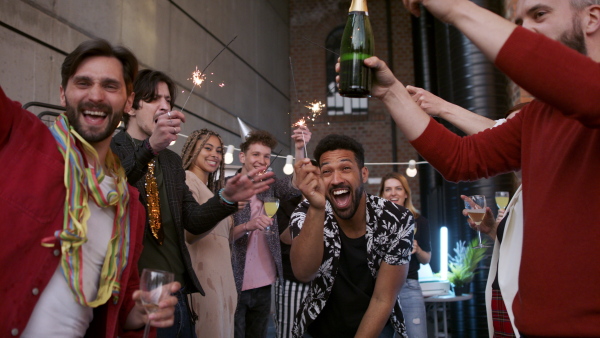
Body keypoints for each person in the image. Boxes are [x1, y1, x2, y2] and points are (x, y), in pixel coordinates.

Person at [359, 0, 600, 335]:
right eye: (517, 21)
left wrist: (455, 8)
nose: (524, 31)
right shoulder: (537, 117)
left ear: (592, 18)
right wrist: (391, 93)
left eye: (539, 14)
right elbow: (460, 158)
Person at [0, 39, 179, 337]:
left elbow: (122, 312)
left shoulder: (129, 207)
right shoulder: (21, 136)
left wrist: (143, 311)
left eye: (110, 86)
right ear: (63, 94)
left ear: (127, 101)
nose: (95, 95)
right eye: (83, 83)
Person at [111, 69, 274, 337]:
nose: (164, 107)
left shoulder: (171, 161)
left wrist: (226, 199)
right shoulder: (113, 149)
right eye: (154, 99)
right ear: (130, 105)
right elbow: (115, 189)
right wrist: (149, 148)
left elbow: (193, 221)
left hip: (178, 294)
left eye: (168, 101)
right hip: (137, 296)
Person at [409, 88, 527, 337]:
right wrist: (492, 229)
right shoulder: (523, 194)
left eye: (512, 130)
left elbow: (459, 158)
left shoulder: (554, 189)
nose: (506, 136)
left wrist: (440, 106)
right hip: (506, 305)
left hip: (528, 307)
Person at [289, 134, 414, 338]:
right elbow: (304, 273)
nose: (337, 179)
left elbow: (383, 299)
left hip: (376, 329)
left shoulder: (396, 218)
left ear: (363, 174)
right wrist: (317, 208)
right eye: (327, 171)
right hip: (319, 329)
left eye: (345, 168)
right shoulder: (305, 212)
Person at [231, 126, 310, 338]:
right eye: (255, 154)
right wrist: (248, 225)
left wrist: (300, 148)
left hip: (265, 282)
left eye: (266, 156)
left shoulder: (270, 188)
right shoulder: (227, 188)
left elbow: (297, 183)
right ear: (242, 156)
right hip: (234, 281)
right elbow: (220, 236)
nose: (261, 160)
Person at [179, 128, 237, 338]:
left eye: (219, 150)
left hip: (224, 279)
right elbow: (190, 232)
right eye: (207, 148)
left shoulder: (213, 192)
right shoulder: (186, 180)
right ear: (192, 150)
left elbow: (221, 238)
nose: (215, 154)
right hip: (204, 277)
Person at [379, 172, 431, 338]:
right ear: (382, 194)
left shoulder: (419, 221)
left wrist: (418, 249)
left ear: (406, 193)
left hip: (409, 286)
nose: (393, 193)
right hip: (381, 287)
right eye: (388, 189)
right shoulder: (375, 222)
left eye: (398, 189)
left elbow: (426, 259)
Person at [274, 193, 310, 338]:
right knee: (288, 333)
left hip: (325, 280)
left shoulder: (332, 204)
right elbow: (284, 239)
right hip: (292, 281)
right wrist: (307, 207)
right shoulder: (286, 204)